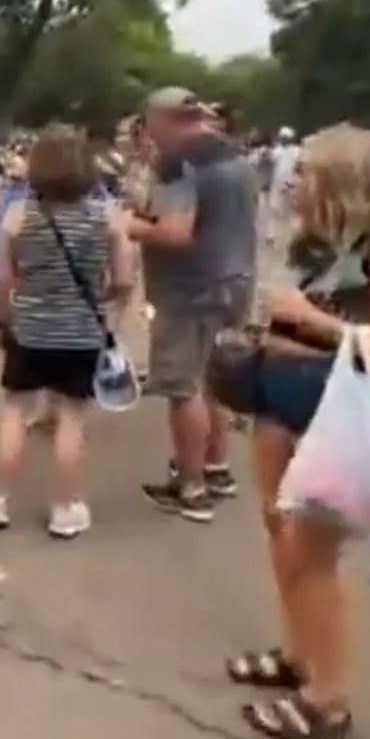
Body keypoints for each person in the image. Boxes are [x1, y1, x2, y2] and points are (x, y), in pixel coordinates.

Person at [220, 126, 370, 739]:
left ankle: (328, 698)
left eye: (309, 173)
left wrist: (309, 321)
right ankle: (299, 657)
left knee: (315, 556)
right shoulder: (316, 243)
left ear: (349, 182)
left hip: (342, 415)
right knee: (281, 534)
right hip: (281, 401)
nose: (293, 181)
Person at [0, 125, 134, 538]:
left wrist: (3, 321)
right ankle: (65, 507)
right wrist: (108, 312)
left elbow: (4, 281)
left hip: (28, 328)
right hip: (81, 332)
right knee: (71, 419)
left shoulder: (18, 216)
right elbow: (124, 280)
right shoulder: (106, 216)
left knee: (15, 411)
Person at [129, 87, 260, 522]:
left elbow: (175, 232)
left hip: (188, 290)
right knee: (212, 381)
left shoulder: (179, 162)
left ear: (166, 119)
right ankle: (216, 467)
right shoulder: (236, 156)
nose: (149, 132)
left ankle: (190, 486)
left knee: (182, 388)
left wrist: (126, 224)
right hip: (236, 281)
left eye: (150, 122)